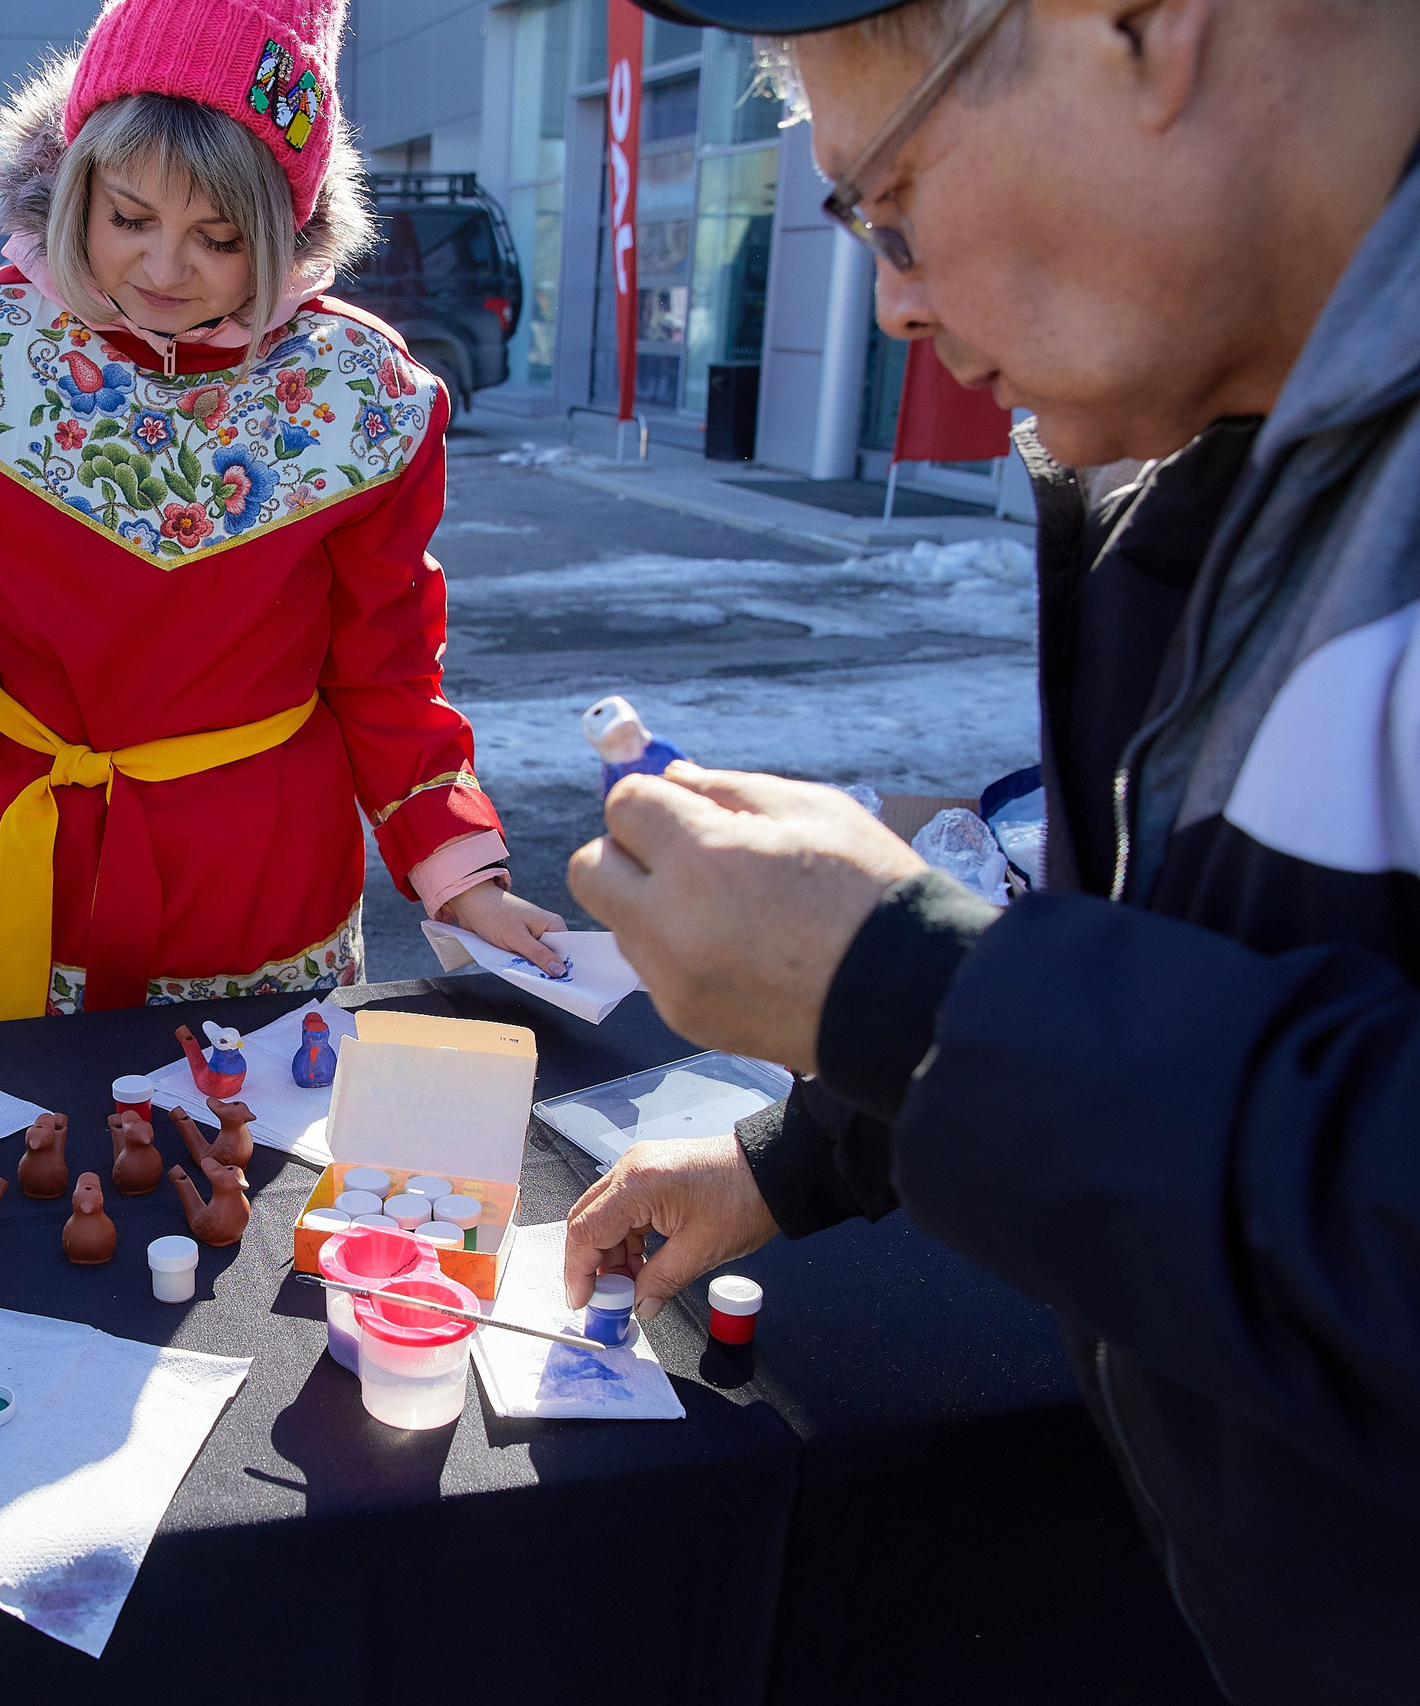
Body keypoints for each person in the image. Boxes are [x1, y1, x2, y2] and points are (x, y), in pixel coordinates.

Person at [558, 0, 1420, 1695]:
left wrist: (911, 997)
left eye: (890, 205)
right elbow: (1186, 963)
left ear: (1144, 28)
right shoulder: (1250, 456)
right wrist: (799, 1154)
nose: (892, 301)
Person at [0, 0, 566, 1026]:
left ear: (284, 226)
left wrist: (463, 876)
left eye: (219, 237)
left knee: (247, 1125)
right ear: (75, 184)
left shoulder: (362, 393)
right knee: (1, 1128)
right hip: (15, 864)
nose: (165, 270)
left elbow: (383, 673)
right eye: (128, 218)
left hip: (260, 887)